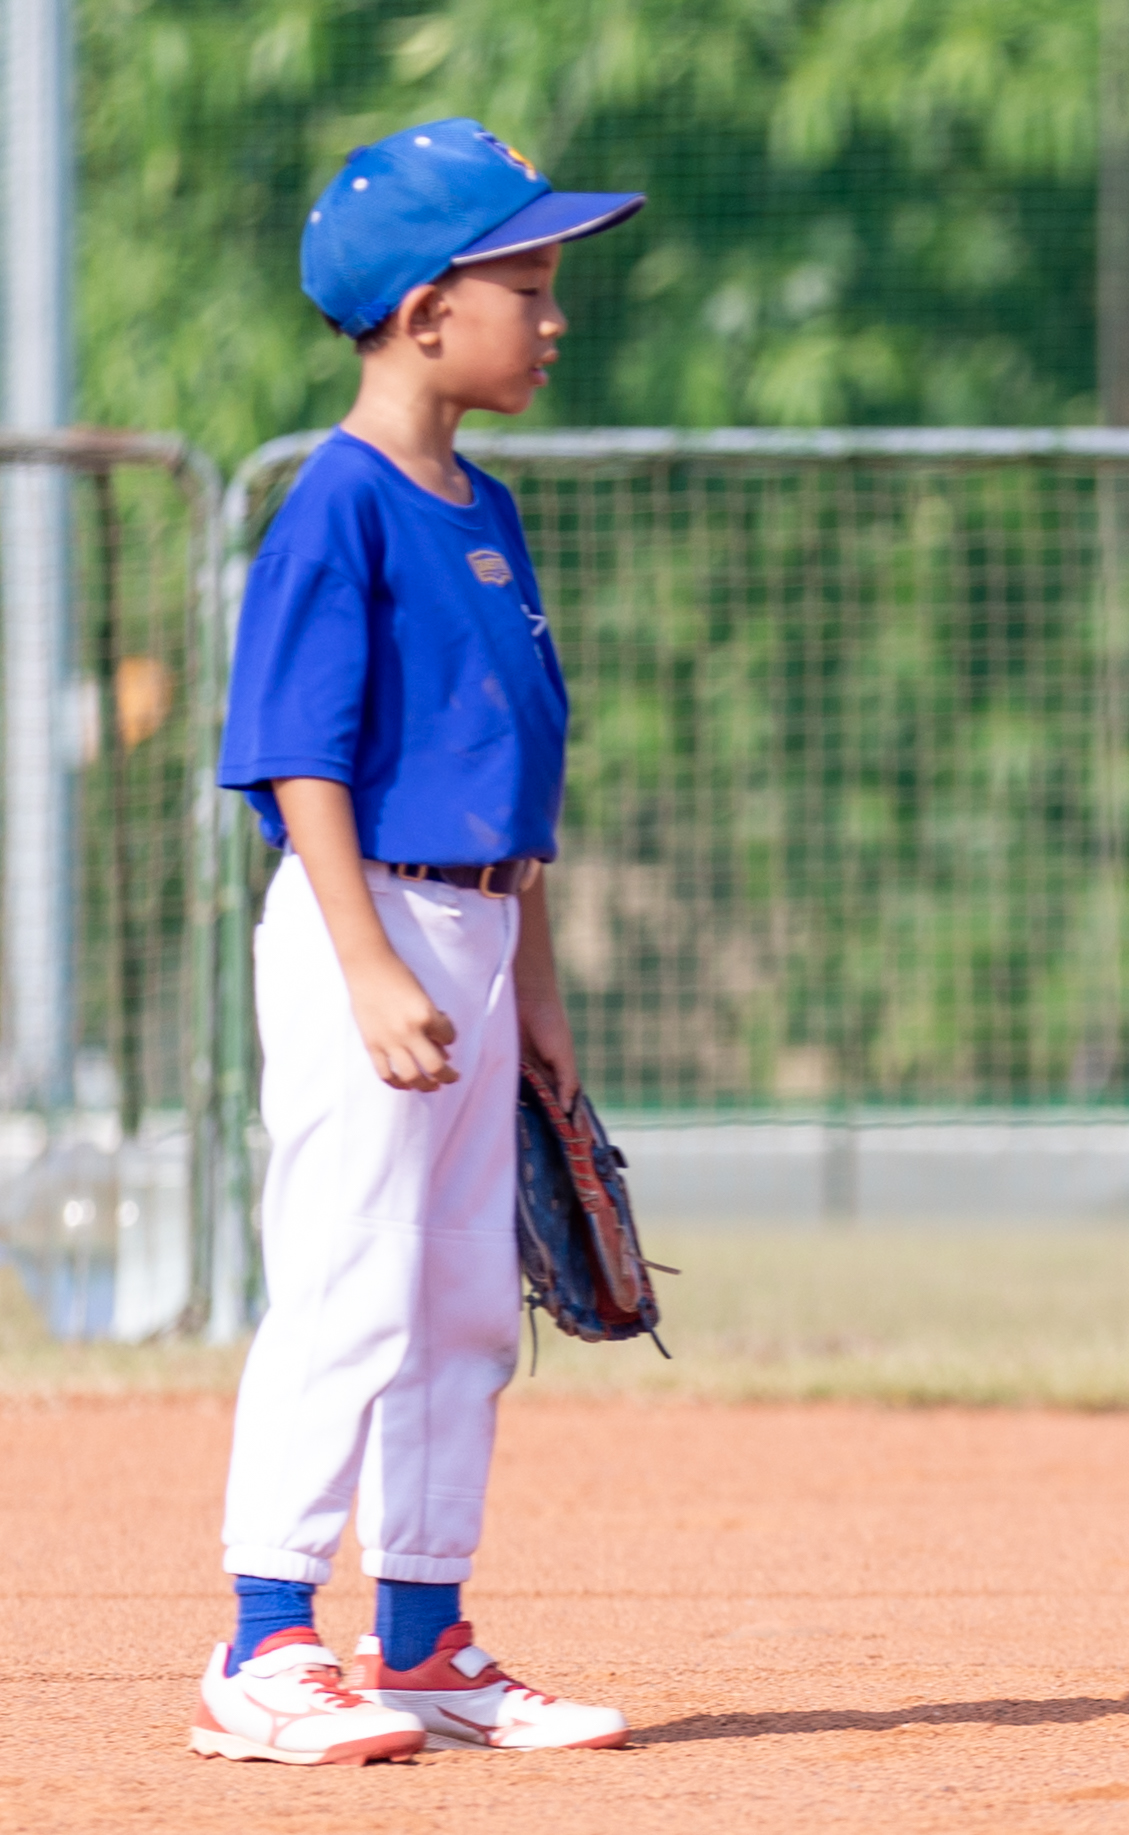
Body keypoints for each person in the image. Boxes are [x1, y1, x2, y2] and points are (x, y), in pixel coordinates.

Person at [191, 120, 645, 1764]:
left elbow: (515, 783)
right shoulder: (340, 505)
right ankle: (262, 1647)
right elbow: (295, 756)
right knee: (349, 1287)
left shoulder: (482, 509)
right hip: (363, 927)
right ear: (426, 309)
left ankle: (425, 1640)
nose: (554, 316)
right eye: (530, 283)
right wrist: (371, 963)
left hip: (474, 931)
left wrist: (539, 998)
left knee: (457, 1299)